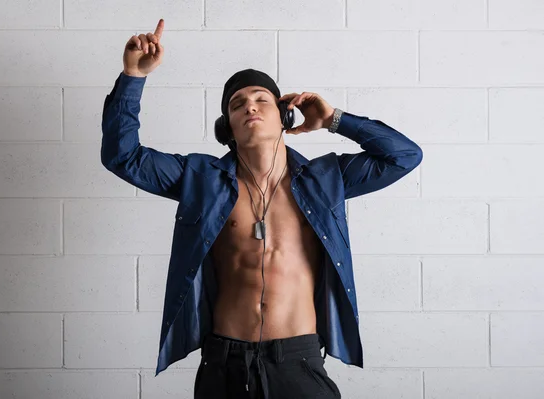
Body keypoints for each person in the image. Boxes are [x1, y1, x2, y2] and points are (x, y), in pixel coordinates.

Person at [101, 19, 423, 399]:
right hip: (224, 362)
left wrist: (334, 119)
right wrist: (133, 76)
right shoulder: (199, 178)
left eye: (261, 99)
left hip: (299, 360)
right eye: (238, 104)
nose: (249, 106)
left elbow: (404, 156)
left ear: (285, 117)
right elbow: (123, 157)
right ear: (229, 127)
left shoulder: (326, 178)